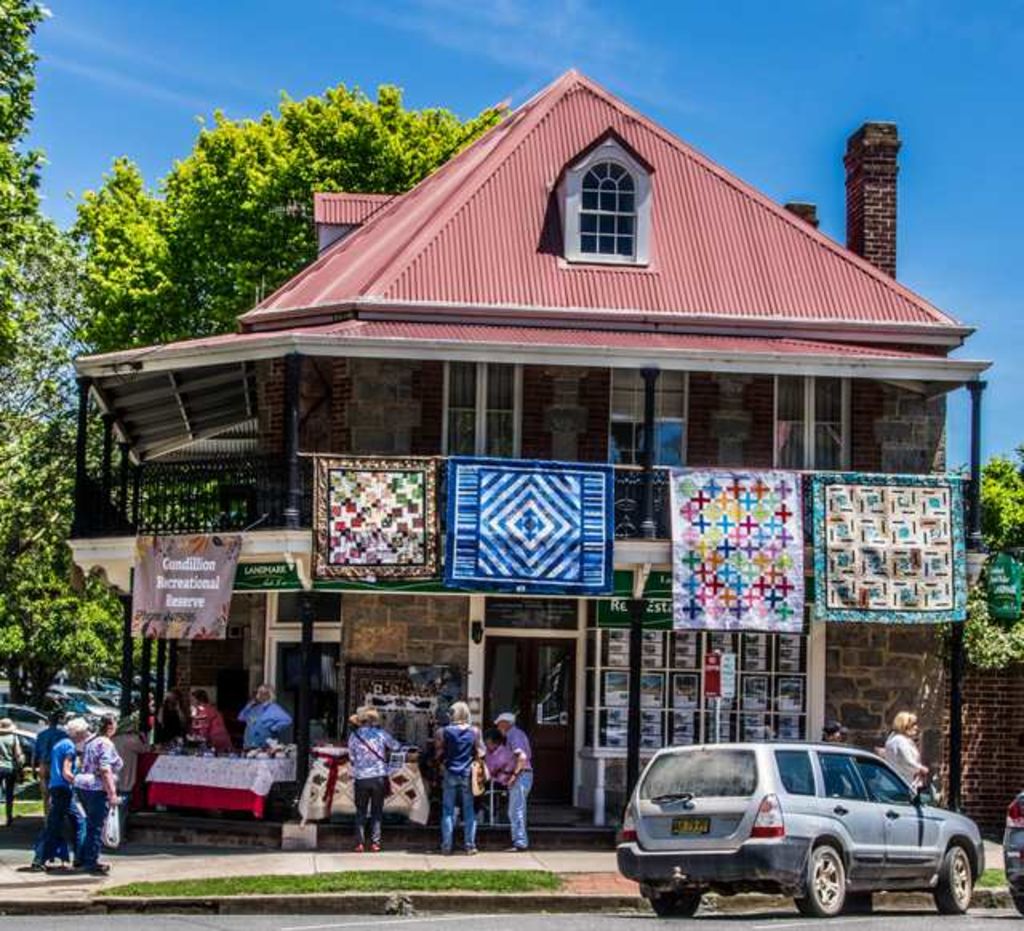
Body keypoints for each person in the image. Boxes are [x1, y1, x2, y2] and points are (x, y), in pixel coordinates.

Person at [31, 717, 89, 871]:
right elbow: (66, 771)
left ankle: (42, 857)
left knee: (58, 823)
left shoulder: (59, 744)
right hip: (64, 789)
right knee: (76, 822)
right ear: (77, 732)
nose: (84, 735)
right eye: (83, 732)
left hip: (56, 787)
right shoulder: (70, 747)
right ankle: (79, 857)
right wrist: (80, 781)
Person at [75, 714, 123, 875]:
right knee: (96, 827)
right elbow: (105, 769)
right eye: (115, 724)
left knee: (89, 824)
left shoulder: (91, 741)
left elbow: (83, 762)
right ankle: (91, 861)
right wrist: (112, 793)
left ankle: (81, 857)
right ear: (110, 726)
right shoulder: (105, 743)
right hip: (96, 787)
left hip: (83, 785)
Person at [347, 707, 400, 853]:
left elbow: (351, 757)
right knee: (377, 811)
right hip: (379, 777)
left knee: (361, 811)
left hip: (361, 777)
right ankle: (375, 843)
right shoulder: (381, 734)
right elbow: (396, 746)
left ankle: (359, 843)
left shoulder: (354, 737)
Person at [436, 701, 484, 855]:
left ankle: (446, 846)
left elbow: (438, 754)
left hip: (450, 771)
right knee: (469, 810)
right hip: (467, 773)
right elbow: (482, 752)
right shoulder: (475, 731)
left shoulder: (443, 731)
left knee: (448, 811)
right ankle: (470, 845)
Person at [495, 712, 533, 852]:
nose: (498, 726)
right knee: (517, 809)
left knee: (516, 810)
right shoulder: (519, 734)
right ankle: (519, 840)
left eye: (499, 723)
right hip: (525, 775)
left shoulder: (513, 735)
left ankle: (520, 842)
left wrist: (514, 775)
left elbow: (521, 757)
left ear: (506, 723)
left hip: (521, 775)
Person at [884, 711, 929, 790]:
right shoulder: (900, 741)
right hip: (901, 785)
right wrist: (921, 769)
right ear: (904, 726)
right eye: (913, 725)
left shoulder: (894, 739)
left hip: (895, 783)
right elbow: (907, 762)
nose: (916, 727)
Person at [34, 712, 67, 815]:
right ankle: (56, 815)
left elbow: (36, 752)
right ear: (58, 721)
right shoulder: (62, 735)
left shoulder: (41, 735)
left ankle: (47, 817)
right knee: (57, 791)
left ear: (47, 722)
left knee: (45, 794)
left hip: (43, 763)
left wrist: (33, 766)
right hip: (57, 764)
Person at [239, 685, 293, 749]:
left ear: (268, 694)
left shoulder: (273, 708)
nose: (259, 695)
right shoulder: (253, 707)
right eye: (258, 692)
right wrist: (249, 705)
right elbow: (241, 718)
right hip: (249, 745)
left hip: (264, 746)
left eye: (262, 692)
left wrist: (273, 728)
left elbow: (287, 720)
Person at [0, 718, 25, 827]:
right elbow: (18, 755)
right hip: (10, 767)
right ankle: (9, 816)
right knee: (9, 793)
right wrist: (20, 768)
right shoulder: (14, 738)